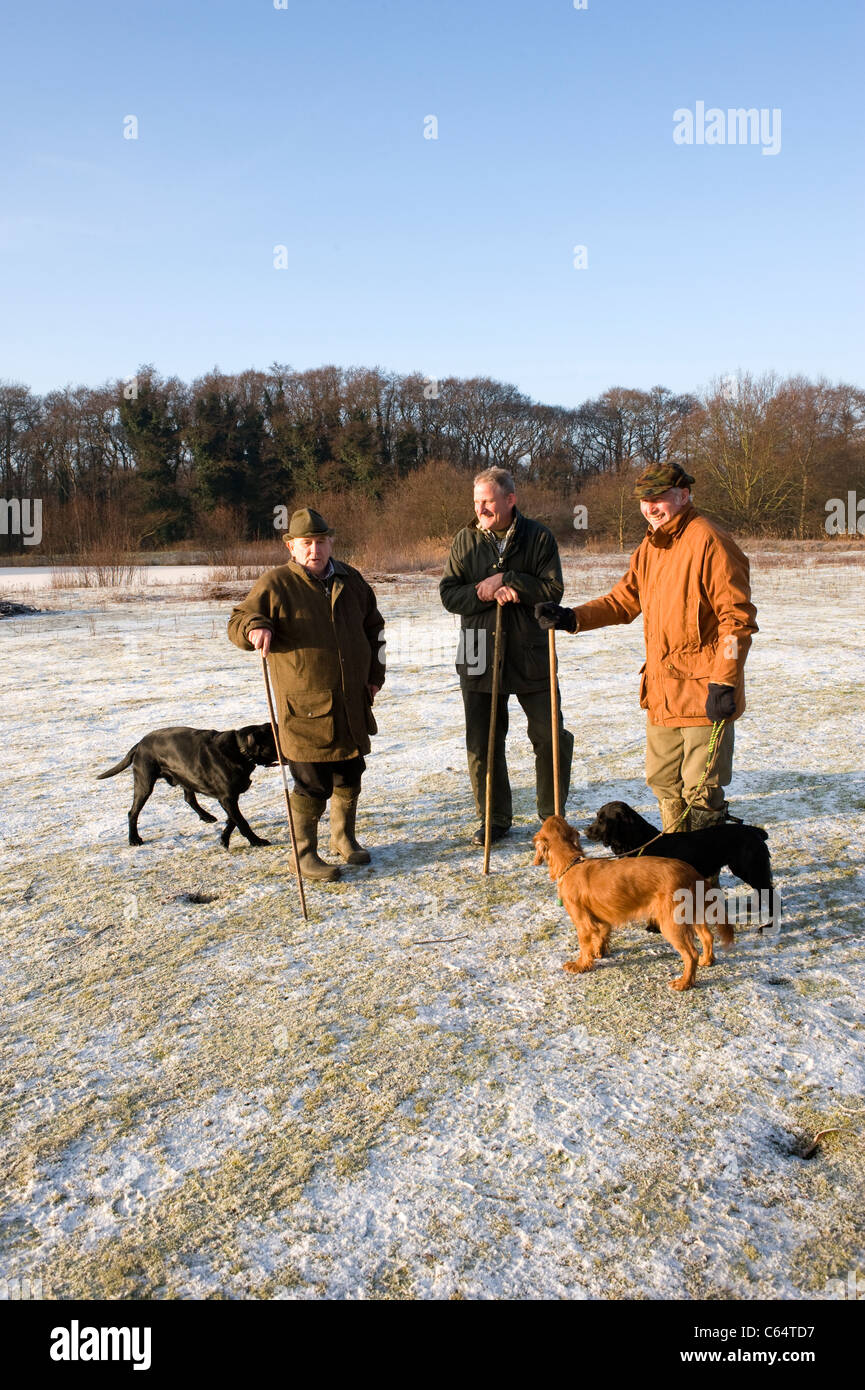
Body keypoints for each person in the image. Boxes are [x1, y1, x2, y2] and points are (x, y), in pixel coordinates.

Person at [536, 462, 757, 831]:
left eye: (659, 499)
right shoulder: (650, 548)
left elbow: (737, 621)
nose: (650, 507)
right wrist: (572, 618)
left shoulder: (710, 542)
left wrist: (725, 681)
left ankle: (703, 884)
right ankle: (675, 875)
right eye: (644, 500)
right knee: (664, 783)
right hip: (661, 692)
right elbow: (623, 601)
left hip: (705, 694)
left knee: (701, 792)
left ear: (683, 496)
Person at [227, 507, 385, 880]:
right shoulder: (276, 583)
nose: (314, 550)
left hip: (351, 702)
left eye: (320, 541)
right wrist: (254, 628)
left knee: (351, 772)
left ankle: (343, 838)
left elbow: (375, 629)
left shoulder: (352, 580)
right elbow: (238, 620)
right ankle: (303, 855)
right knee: (312, 783)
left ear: (331, 542)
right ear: (292, 547)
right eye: (306, 543)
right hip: (304, 708)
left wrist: (375, 674)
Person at [440, 467, 574, 843]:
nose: (481, 509)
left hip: (532, 653)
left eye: (488, 501)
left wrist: (510, 579)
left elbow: (553, 590)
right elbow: (449, 594)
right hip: (478, 653)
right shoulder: (464, 540)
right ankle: (494, 818)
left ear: (510, 500)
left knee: (550, 737)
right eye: (477, 502)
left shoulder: (539, 537)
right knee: (483, 742)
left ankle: (553, 818)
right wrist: (482, 592)